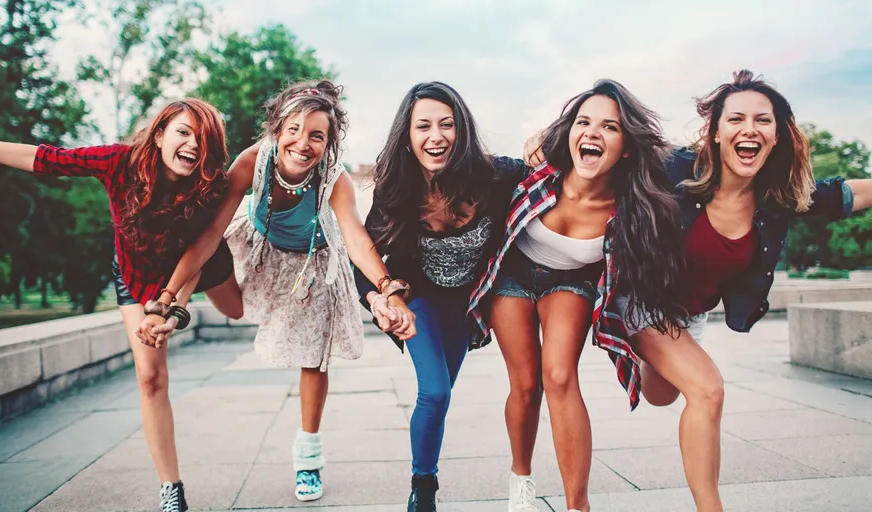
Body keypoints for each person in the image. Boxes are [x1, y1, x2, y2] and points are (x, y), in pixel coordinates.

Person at [142, 80, 415, 503]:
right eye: (293, 129)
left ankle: (308, 454)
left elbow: (357, 239)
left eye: (316, 135)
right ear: (275, 129)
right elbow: (211, 233)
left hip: (314, 259)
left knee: (313, 357)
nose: (302, 143)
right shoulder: (252, 162)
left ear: (329, 142)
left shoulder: (333, 178)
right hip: (259, 247)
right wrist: (169, 294)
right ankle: (170, 312)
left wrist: (386, 287)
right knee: (222, 289)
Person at [613, 70, 872, 511]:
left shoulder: (777, 197)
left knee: (661, 395)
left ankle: (638, 359)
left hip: (690, 313)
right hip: (643, 297)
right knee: (708, 390)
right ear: (715, 132)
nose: (749, 129)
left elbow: (839, 196)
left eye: (762, 120)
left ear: (776, 135)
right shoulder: (674, 169)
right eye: (735, 119)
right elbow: (611, 158)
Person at [0, 99, 238, 512]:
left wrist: (172, 307)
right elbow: (41, 158)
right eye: (184, 133)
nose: (194, 146)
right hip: (135, 275)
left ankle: (250, 248)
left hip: (197, 262)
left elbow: (194, 259)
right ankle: (171, 490)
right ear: (160, 134)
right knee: (150, 377)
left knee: (236, 311)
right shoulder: (118, 163)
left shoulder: (208, 187)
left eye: (204, 140)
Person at [468, 79, 690, 512]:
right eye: (583, 122)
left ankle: (578, 506)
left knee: (559, 376)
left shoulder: (631, 208)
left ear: (625, 147)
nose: (592, 132)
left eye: (609, 127)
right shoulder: (539, 174)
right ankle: (521, 479)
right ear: (570, 133)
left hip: (569, 281)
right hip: (511, 275)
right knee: (526, 384)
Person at [354, 81, 527, 512]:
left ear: (461, 129)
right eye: (424, 126)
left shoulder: (495, 175)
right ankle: (423, 490)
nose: (437, 136)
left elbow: (551, 172)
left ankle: (425, 475)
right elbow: (366, 259)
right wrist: (380, 302)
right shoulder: (396, 189)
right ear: (408, 137)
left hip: (468, 306)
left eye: (447, 124)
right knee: (434, 392)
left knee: (442, 391)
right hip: (420, 300)